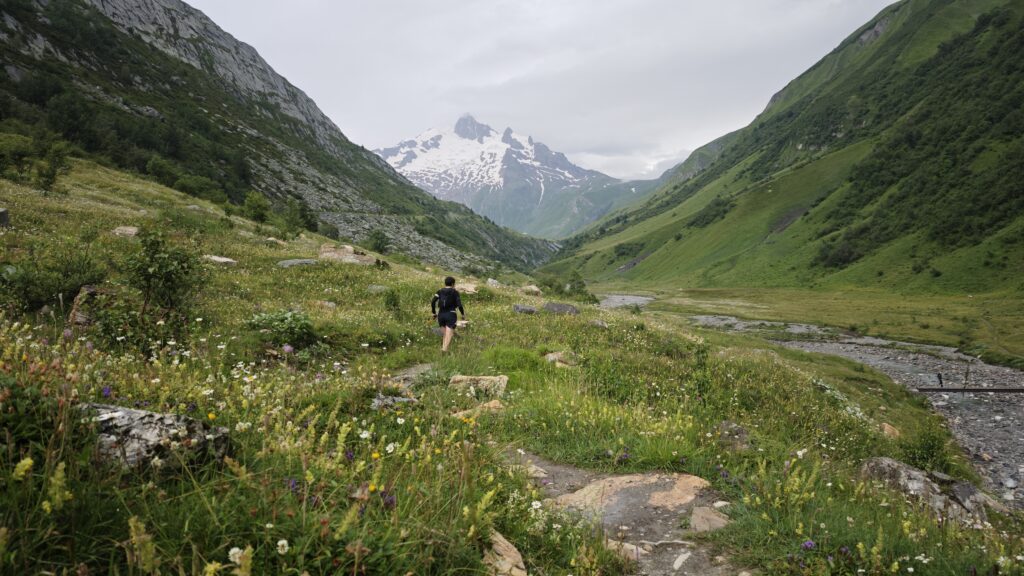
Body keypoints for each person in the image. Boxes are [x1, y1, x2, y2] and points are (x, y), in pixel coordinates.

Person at [431, 276, 465, 352]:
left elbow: (433, 301)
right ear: (453, 284)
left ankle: (443, 350)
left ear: (445, 283)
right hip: (451, 314)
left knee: (445, 335)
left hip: (441, 315)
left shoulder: (439, 291)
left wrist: (434, 313)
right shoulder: (455, 292)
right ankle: (444, 351)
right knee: (449, 334)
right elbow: (459, 305)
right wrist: (462, 314)